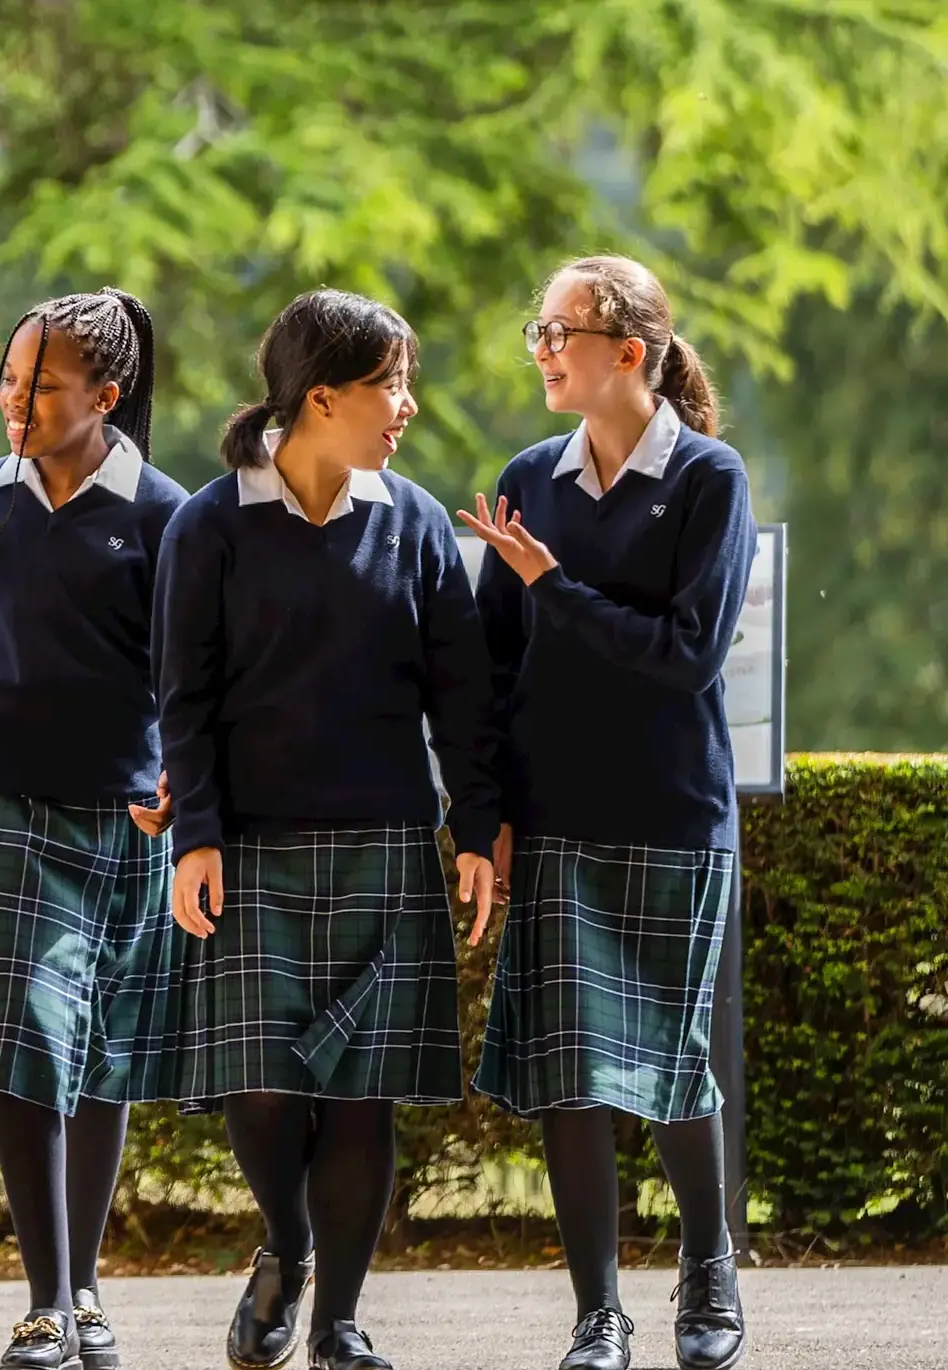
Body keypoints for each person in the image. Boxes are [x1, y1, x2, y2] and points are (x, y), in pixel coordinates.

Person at [151, 289, 500, 1370]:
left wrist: (478, 828)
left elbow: (462, 694)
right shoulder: (209, 523)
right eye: (388, 383)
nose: (406, 405)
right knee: (261, 1084)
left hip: (388, 841)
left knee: (361, 1093)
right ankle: (287, 1246)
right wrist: (195, 834)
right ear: (319, 397)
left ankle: (340, 1323)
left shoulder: (417, 523)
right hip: (250, 843)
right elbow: (184, 697)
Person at [463, 255, 754, 1370]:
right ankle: (598, 1312)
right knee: (570, 1073)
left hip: (671, 813)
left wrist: (552, 585)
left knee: (674, 1057)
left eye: (557, 330)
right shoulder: (527, 478)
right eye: (532, 327)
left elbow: (681, 659)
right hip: (553, 820)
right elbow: (487, 671)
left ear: (626, 351)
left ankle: (708, 1269)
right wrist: (481, 811)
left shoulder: (709, 479)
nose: (539, 347)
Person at [0, 290, 191, 1370]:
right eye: (10, 382)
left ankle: (82, 1287)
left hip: (118, 817)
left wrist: (183, 784)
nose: (16, 402)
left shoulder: (168, 512)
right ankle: (41, 1303)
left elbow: (190, 682)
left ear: (106, 396)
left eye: (43, 386)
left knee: (102, 1051)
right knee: (28, 1036)